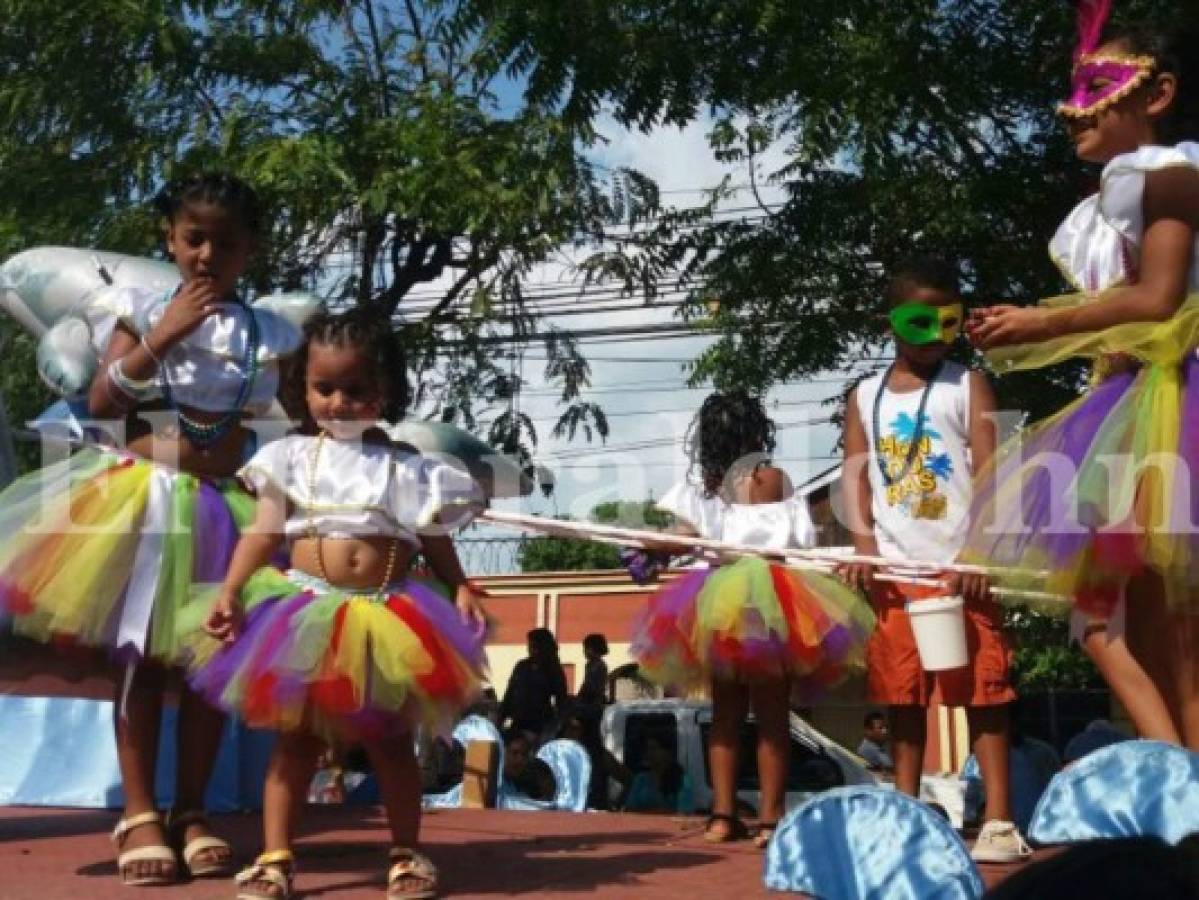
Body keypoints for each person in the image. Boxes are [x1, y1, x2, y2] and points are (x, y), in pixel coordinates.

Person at [0, 173, 300, 886]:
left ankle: (191, 810)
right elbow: (102, 401)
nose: (206, 255)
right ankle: (139, 811)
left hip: (226, 506)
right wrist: (163, 337)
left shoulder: (269, 333)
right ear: (170, 239)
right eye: (193, 239)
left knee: (208, 667)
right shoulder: (135, 307)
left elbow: (283, 428)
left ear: (249, 249)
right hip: (144, 500)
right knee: (139, 659)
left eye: (225, 244)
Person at [187, 308, 488, 900]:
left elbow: (432, 535)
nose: (339, 402)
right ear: (303, 388)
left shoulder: (407, 466)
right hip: (305, 613)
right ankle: (275, 856)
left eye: (357, 390)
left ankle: (405, 852)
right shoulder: (290, 458)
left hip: (388, 612)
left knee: (391, 739)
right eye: (324, 388)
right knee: (295, 739)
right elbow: (266, 532)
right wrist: (231, 588)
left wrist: (459, 583)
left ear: (386, 391)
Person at [967, 9, 1199, 750]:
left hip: (1171, 396)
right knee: (1120, 622)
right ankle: (1176, 781)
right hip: (1130, 402)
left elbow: (1158, 300)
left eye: (1097, 84)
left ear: (1155, 94)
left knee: (1170, 636)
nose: (1071, 108)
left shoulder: (1167, 175)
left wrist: (1038, 323)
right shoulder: (1113, 199)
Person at [841, 258, 1028, 863]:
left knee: (983, 691)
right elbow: (856, 477)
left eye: (948, 322)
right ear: (889, 322)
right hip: (897, 577)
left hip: (961, 570)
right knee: (901, 695)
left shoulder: (966, 384)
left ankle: (998, 820)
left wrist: (979, 554)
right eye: (920, 322)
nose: (934, 337)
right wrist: (863, 548)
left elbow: (991, 470)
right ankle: (905, 806)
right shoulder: (864, 396)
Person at [630, 392, 874, 848]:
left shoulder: (703, 487)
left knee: (724, 714)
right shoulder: (774, 479)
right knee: (772, 717)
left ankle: (722, 817)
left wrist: (649, 549)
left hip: (718, 604)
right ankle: (770, 820)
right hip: (770, 604)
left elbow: (682, 536)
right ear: (757, 432)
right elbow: (798, 539)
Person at [499, 627, 569, 741]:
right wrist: (500, 719)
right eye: (530, 646)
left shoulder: (553, 669)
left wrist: (555, 728)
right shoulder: (522, 666)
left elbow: (561, 701)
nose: (531, 649)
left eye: (534, 646)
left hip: (539, 726)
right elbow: (509, 694)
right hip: (518, 724)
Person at [624, 733, 694, 815]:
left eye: (654, 748)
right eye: (648, 749)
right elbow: (630, 809)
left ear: (668, 752)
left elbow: (684, 812)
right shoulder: (641, 779)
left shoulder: (682, 779)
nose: (650, 753)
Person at [576, 632, 610, 710]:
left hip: (593, 705)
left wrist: (579, 699)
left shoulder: (599, 665)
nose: (584, 651)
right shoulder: (590, 664)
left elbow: (590, 686)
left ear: (594, 648)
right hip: (588, 702)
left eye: (586, 648)